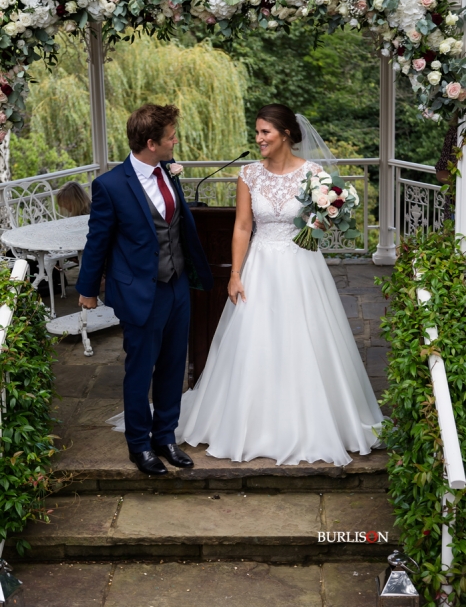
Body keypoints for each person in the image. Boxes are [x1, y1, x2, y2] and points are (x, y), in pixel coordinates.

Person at [175, 104, 384, 466]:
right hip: (259, 266)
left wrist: (322, 220)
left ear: (285, 134)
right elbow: (243, 226)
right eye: (257, 132)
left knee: (307, 338)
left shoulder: (313, 175)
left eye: (265, 132)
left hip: (302, 267)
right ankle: (248, 423)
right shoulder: (248, 175)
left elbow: (326, 221)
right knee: (255, 340)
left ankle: (314, 422)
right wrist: (235, 274)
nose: (258, 139)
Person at [76, 103, 213, 476]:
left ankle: (165, 437)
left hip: (177, 286)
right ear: (151, 143)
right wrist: (87, 289)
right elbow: (98, 240)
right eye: (171, 137)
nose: (175, 142)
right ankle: (139, 444)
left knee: (173, 365)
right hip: (139, 291)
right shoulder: (110, 185)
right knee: (140, 370)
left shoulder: (168, 171)